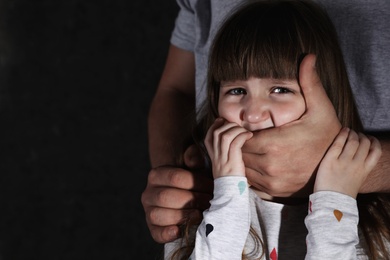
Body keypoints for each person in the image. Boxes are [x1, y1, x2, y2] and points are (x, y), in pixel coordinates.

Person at [142, 0, 390, 244]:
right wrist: (183, 184)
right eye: (237, 91)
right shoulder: (200, 219)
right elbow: (175, 91)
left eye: (281, 90)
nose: (252, 115)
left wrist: (342, 178)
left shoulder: (373, 231)